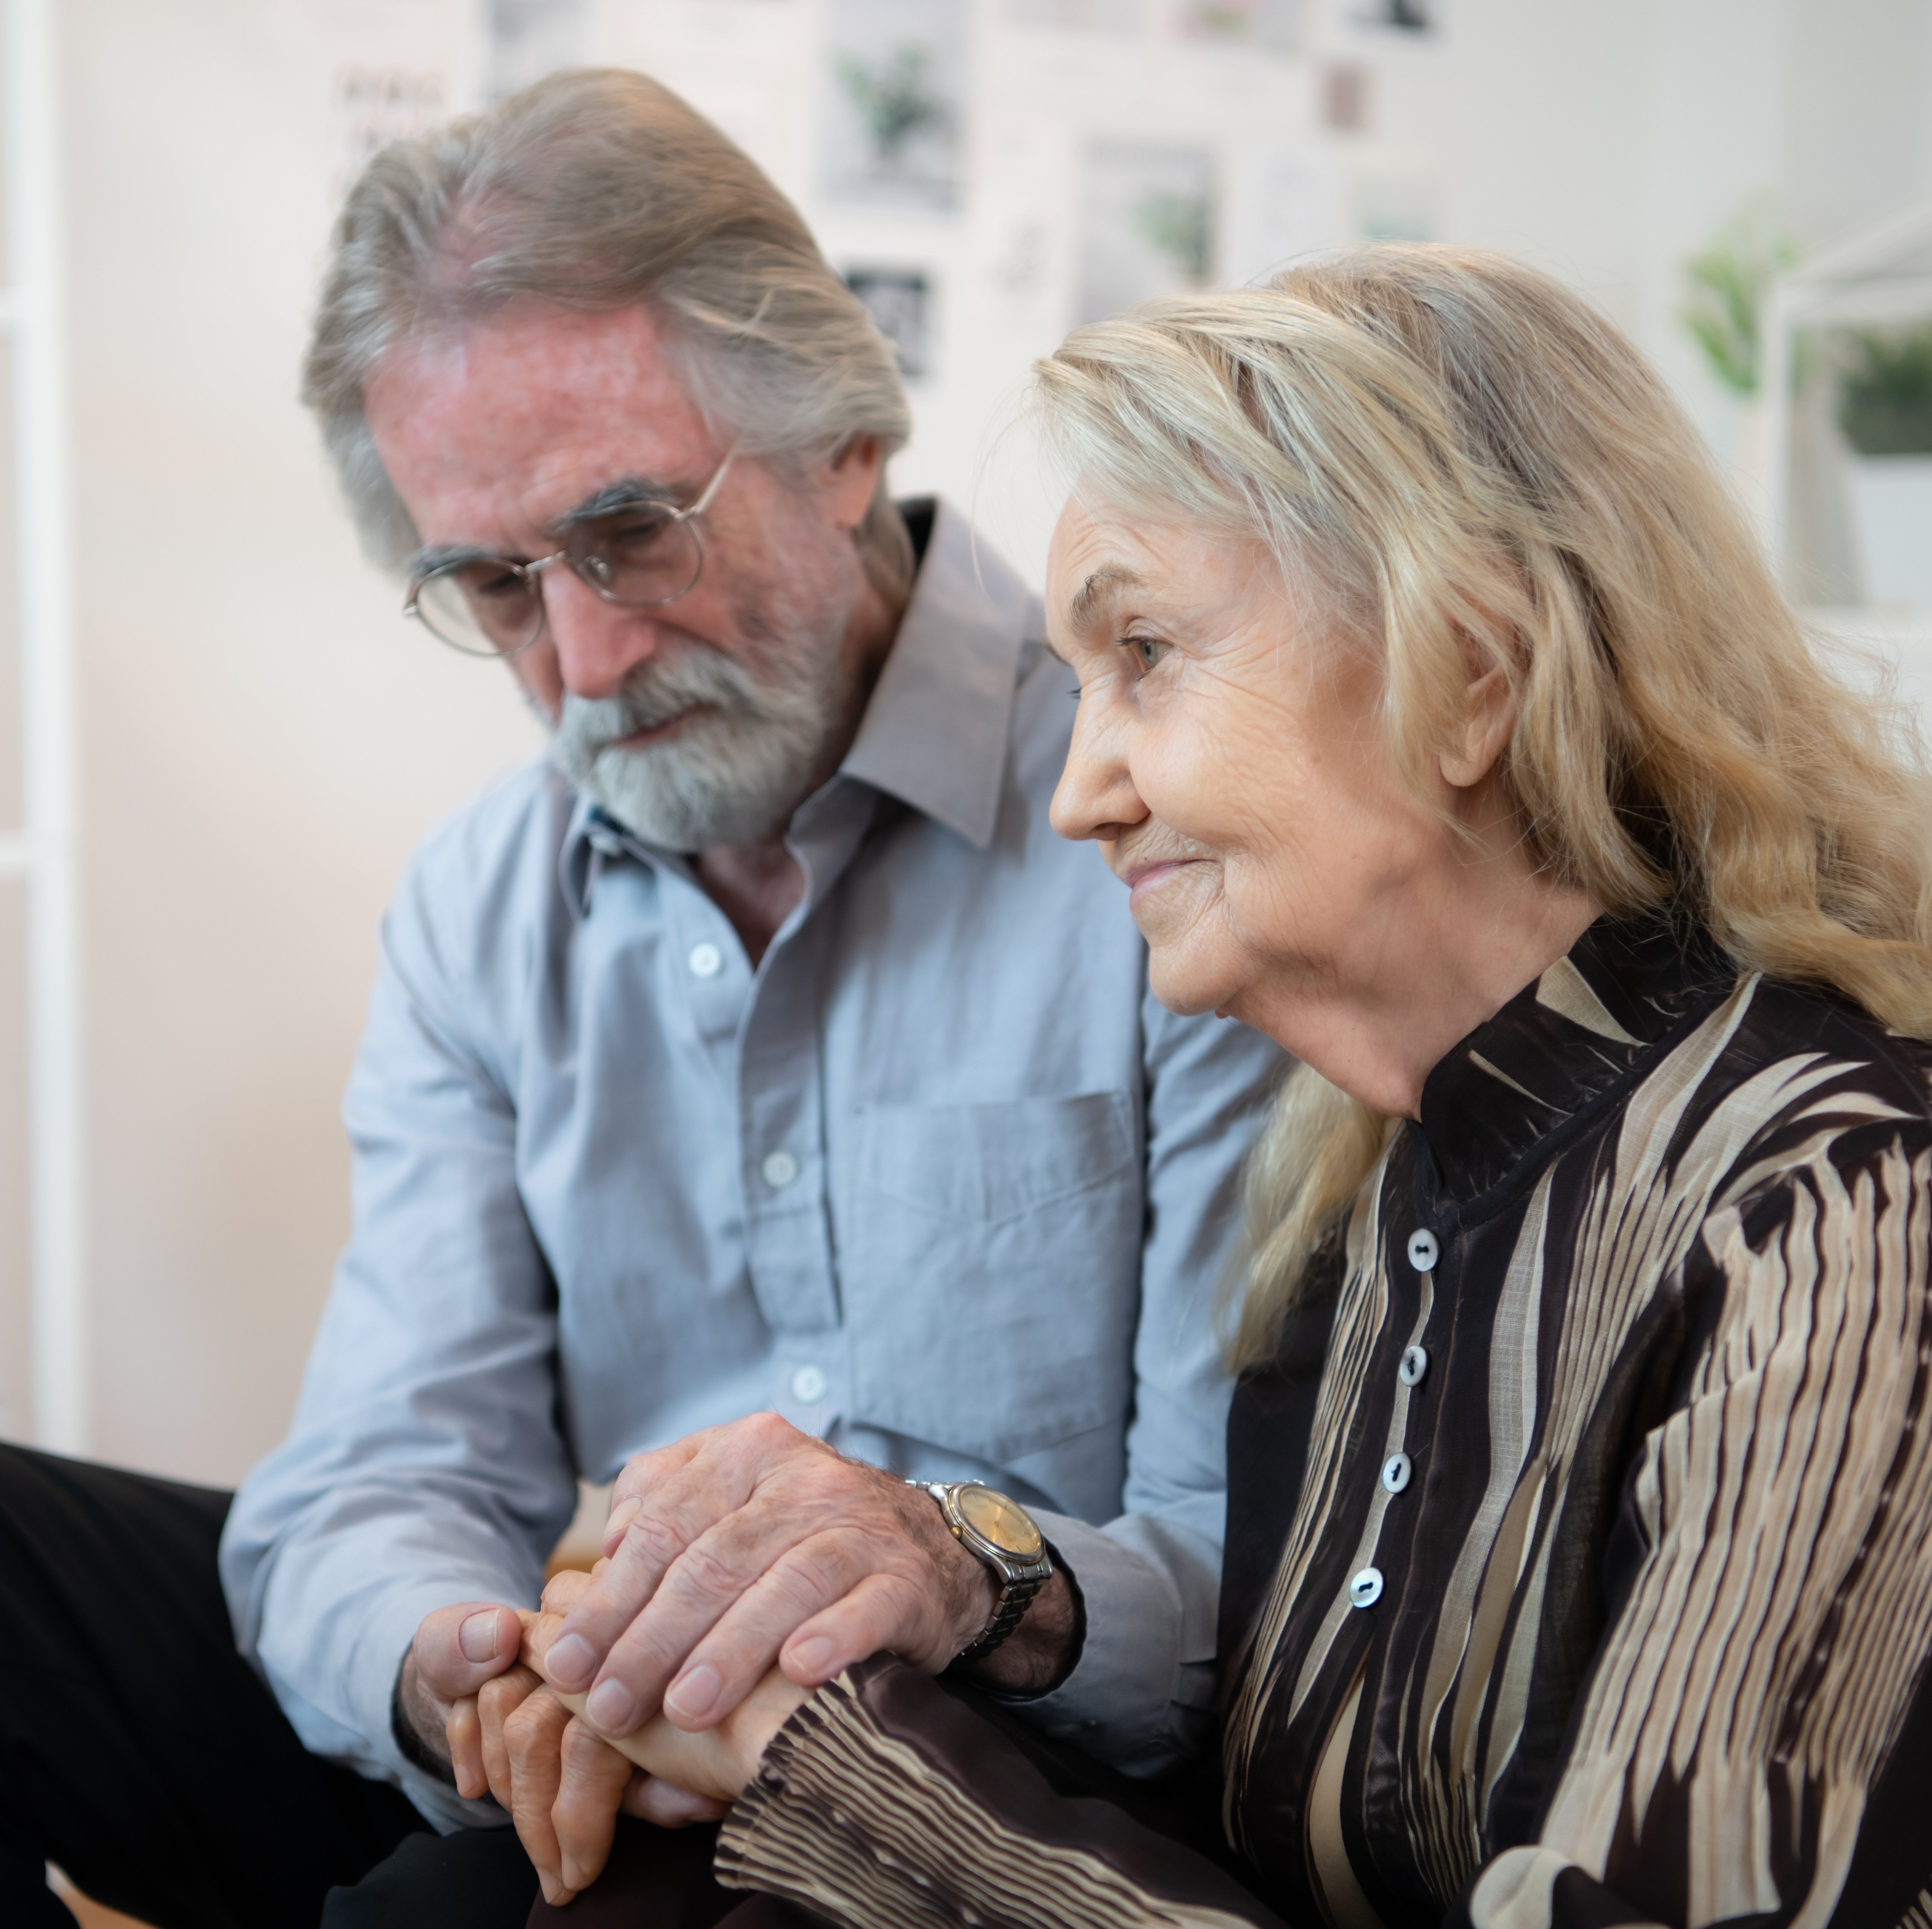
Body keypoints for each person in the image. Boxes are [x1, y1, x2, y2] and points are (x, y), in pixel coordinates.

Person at [0, 69, 1285, 1929]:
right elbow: (389, 1460)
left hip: (975, 1771)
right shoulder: (479, 902)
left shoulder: (1141, 808)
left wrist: (938, 1571)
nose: (583, 657)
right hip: (578, 1702)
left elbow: (1236, 1582)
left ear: (842, 441)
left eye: (628, 532)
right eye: (497, 586)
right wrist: (463, 1667)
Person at [538, 244, 1932, 1929]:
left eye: (1142, 653)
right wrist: (945, 1582)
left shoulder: (1829, 1200)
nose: (1079, 796)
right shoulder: (1363, 1177)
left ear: (1470, 673)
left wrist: (830, 1776)